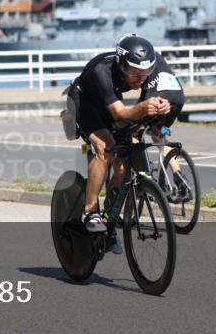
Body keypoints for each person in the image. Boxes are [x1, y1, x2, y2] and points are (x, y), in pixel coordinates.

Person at [74, 34, 186, 242]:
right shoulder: (102, 71)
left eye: (146, 72)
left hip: (110, 104)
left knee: (123, 166)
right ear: (122, 65)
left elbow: (156, 95)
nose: (141, 79)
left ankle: (109, 217)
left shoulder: (143, 71)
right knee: (106, 149)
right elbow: (120, 114)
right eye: (134, 73)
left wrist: (161, 105)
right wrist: (143, 107)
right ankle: (90, 211)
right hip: (86, 103)